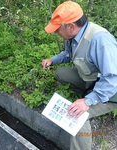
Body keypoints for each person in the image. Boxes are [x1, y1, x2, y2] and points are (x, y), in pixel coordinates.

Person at [41, 1, 117, 150]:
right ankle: (85, 95)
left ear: (70, 26)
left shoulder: (100, 40)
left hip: (111, 91)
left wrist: (87, 102)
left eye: (57, 29)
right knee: (61, 73)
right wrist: (53, 60)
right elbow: (69, 54)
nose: (56, 33)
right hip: (92, 80)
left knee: (78, 118)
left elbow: (113, 78)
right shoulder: (74, 36)